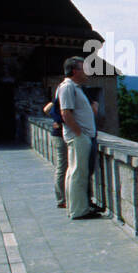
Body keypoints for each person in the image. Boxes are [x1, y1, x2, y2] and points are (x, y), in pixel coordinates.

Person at [56, 56, 101, 220]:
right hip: (79, 137)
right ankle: (79, 210)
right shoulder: (68, 87)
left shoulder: (73, 87)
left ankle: (76, 207)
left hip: (80, 137)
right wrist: (80, 134)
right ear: (75, 71)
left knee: (75, 173)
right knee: (78, 174)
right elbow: (65, 113)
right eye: (84, 68)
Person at [42, 97, 67, 208]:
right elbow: (47, 109)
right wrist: (59, 121)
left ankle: (62, 198)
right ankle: (61, 199)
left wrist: (55, 119)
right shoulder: (63, 96)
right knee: (62, 167)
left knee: (62, 167)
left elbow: (46, 109)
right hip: (60, 135)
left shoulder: (59, 96)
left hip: (57, 134)